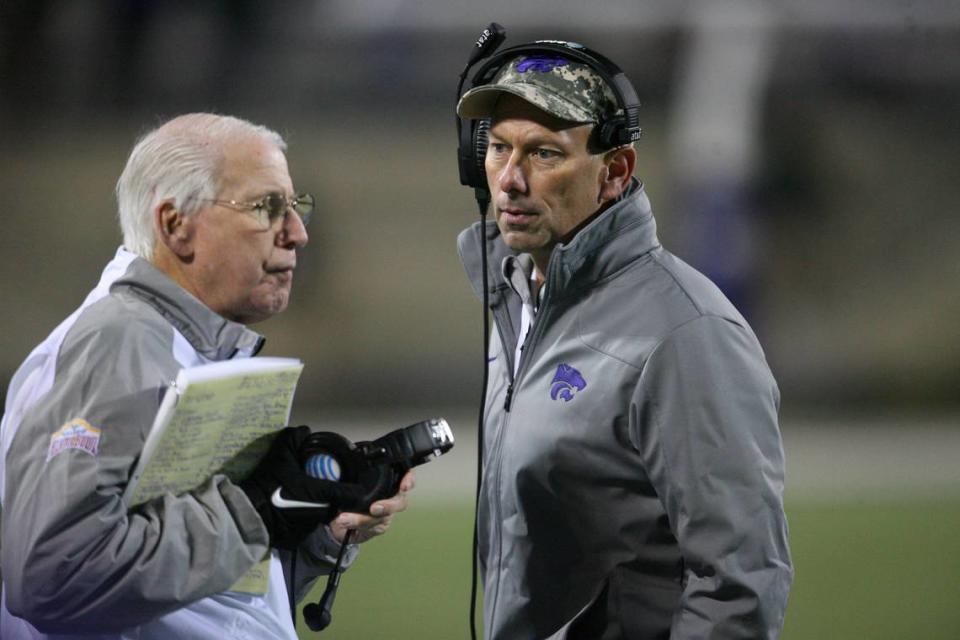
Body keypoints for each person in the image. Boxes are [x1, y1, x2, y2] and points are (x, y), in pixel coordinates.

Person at [0, 113, 413, 639]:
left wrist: (316, 538)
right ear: (175, 224)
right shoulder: (119, 342)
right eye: (267, 207)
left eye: (295, 206)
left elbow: (205, 608)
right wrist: (258, 512)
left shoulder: (186, 345)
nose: (298, 233)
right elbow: (54, 579)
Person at [456, 43, 793, 638]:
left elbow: (737, 584)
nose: (509, 179)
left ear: (614, 172)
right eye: (499, 147)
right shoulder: (520, 301)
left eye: (544, 153)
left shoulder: (687, 335)